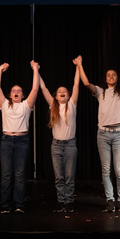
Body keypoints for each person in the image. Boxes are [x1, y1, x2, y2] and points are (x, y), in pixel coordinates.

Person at [78, 40, 120, 212]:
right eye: (108, 75)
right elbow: (86, 84)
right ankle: (110, 201)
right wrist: (79, 65)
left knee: (119, 169)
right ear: (105, 79)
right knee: (106, 170)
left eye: (114, 75)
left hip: (119, 134)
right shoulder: (101, 92)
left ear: (117, 78)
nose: (111, 77)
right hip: (103, 134)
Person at [0, 61, 39, 214]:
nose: (16, 92)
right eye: (13, 90)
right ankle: (5, 204)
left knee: (19, 174)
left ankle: (20, 204)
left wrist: (35, 69)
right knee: (6, 174)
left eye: (19, 91)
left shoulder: (26, 105)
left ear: (22, 94)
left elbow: (35, 88)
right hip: (6, 141)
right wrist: (0, 70)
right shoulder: (5, 104)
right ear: (10, 94)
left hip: (21, 141)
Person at [39, 58, 80, 213]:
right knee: (59, 177)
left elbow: (76, 84)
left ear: (68, 95)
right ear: (55, 96)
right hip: (56, 145)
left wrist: (77, 67)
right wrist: (36, 70)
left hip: (70, 145)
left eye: (65, 91)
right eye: (59, 91)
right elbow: (42, 88)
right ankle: (60, 201)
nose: (62, 92)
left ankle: (69, 201)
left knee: (69, 176)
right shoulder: (53, 105)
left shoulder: (72, 104)